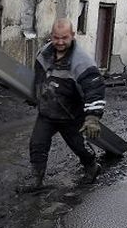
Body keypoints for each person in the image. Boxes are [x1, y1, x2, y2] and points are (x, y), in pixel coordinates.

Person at [24, 18, 105, 190]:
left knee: (79, 147)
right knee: (37, 144)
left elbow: (94, 88)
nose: (60, 42)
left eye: (64, 38)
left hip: (71, 115)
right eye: (56, 37)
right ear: (51, 36)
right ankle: (36, 180)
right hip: (48, 111)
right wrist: (35, 95)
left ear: (73, 36)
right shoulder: (44, 53)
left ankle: (92, 167)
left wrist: (92, 118)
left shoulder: (82, 61)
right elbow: (39, 77)